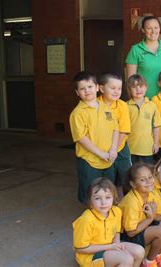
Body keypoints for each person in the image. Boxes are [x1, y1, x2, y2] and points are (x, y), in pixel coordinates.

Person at [69, 71, 118, 203]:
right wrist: (100, 153)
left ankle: (106, 216)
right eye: (82, 88)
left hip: (108, 159)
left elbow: (115, 129)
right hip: (89, 161)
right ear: (77, 92)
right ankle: (92, 218)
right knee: (91, 192)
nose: (87, 91)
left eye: (90, 87)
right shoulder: (78, 113)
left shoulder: (106, 108)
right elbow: (81, 138)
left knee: (108, 190)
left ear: (97, 87)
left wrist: (113, 149)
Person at [72, 177, 144, 267]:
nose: (103, 202)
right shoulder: (86, 219)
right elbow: (81, 249)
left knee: (139, 251)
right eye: (97, 198)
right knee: (126, 259)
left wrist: (116, 242)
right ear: (90, 200)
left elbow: (116, 231)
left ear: (114, 197)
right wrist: (110, 247)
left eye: (108, 197)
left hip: (110, 246)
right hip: (90, 256)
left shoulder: (116, 211)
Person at [119, 162, 161, 267]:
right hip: (128, 236)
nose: (148, 182)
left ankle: (157, 255)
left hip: (144, 226)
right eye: (142, 180)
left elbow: (160, 216)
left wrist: (152, 216)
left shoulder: (152, 193)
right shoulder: (131, 201)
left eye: (150, 177)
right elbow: (130, 232)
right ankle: (148, 263)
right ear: (133, 184)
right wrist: (150, 218)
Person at [126, 15, 161, 99]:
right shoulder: (135, 50)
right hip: (145, 100)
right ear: (143, 30)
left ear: (160, 29)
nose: (153, 31)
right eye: (149, 28)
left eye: (156, 27)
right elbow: (131, 80)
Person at [98, 73, 132, 198]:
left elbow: (123, 130)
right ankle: (110, 202)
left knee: (126, 175)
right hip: (103, 148)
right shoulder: (96, 105)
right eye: (112, 88)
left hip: (120, 147)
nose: (116, 91)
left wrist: (115, 149)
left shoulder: (122, 105)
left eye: (119, 88)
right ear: (101, 88)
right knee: (108, 177)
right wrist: (109, 151)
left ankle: (130, 202)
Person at [126, 74, 161, 165]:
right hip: (130, 148)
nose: (138, 89)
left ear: (146, 87)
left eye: (141, 86)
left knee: (147, 172)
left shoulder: (152, 105)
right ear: (129, 90)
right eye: (134, 87)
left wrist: (156, 143)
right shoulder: (125, 106)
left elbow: (156, 126)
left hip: (147, 148)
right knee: (132, 174)